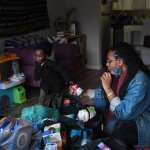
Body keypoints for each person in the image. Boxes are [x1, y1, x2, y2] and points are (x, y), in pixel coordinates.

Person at [98, 42, 150, 149]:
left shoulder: (140, 80)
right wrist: (85, 92)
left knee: (116, 131)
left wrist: (108, 89)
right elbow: (102, 98)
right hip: (124, 112)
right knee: (99, 121)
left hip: (141, 121)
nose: (107, 64)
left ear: (120, 61)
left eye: (109, 61)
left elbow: (124, 113)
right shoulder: (118, 73)